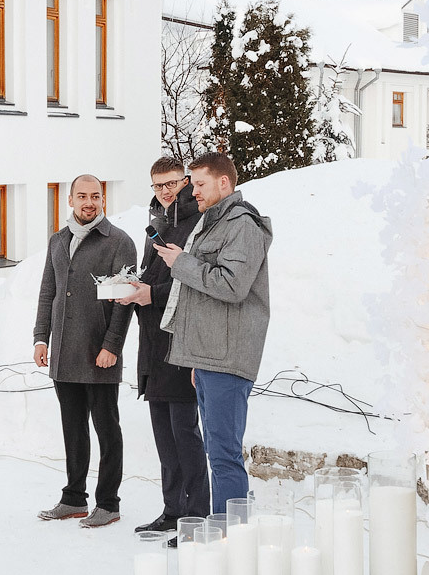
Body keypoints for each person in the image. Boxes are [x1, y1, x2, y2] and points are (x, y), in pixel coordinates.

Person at [155, 152, 272, 512]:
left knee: (224, 456)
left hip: (228, 359)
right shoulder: (214, 222)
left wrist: (182, 263)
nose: (193, 191)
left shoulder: (242, 225)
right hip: (209, 357)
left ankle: (230, 540)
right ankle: (225, 533)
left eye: (200, 183)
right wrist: (196, 357)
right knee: (216, 452)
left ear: (224, 182)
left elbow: (232, 285)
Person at [33, 174, 138, 528]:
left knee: (107, 429)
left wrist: (112, 347)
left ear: (103, 199)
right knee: (72, 428)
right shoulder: (57, 241)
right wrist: (40, 338)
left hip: (98, 353)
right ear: (70, 200)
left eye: (95, 195)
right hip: (64, 351)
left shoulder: (119, 241)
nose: (88, 202)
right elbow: (48, 292)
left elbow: (125, 303)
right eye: (82, 196)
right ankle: (74, 499)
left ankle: (108, 503)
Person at [122, 158, 208, 533]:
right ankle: (172, 511)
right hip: (152, 344)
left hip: (181, 343)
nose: (165, 192)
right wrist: (130, 287)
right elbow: (154, 274)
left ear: (186, 181)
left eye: (171, 184)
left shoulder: (197, 223)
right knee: (164, 437)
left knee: (185, 435)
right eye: (158, 186)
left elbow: (193, 286)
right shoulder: (157, 223)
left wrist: (150, 294)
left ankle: (197, 516)